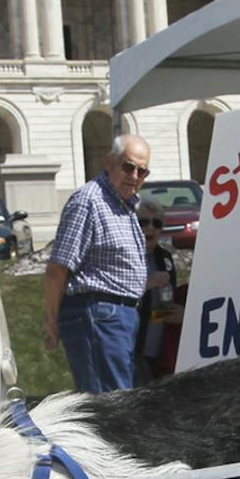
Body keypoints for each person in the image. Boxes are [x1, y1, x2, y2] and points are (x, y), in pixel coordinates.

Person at [42, 134, 152, 392]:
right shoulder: (89, 201)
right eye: (128, 166)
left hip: (120, 317)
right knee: (109, 407)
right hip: (98, 317)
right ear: (109, 162)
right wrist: (51, 321)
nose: (134, 176)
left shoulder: (125, 205)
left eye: (142, 171)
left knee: (119, 405)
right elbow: (57, 269)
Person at [135, 204, 176, 382]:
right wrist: (150, 283)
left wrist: (176, 314)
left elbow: (164, 305)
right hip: (132, 347)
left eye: (157, 223)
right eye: (143, 222)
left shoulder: (164, 257)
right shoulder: (124, 256)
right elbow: (116, 295)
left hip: (159, 351)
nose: (150, 228)